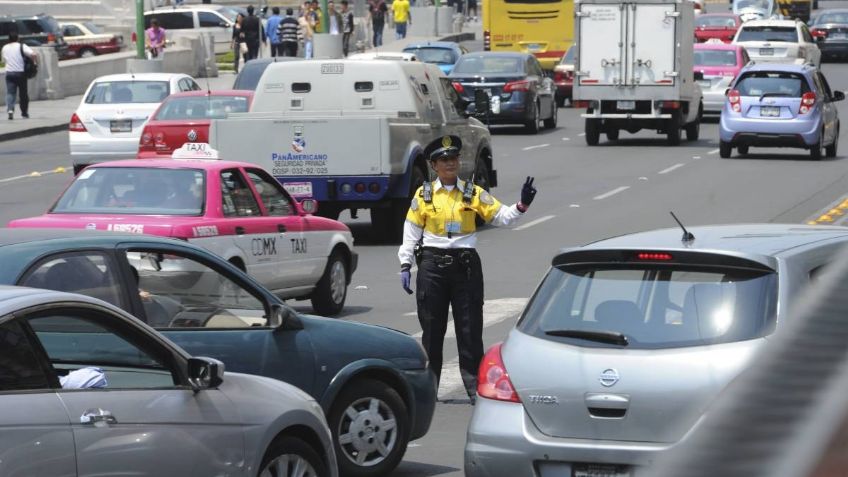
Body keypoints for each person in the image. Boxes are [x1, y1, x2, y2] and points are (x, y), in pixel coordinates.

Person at [397, 135, 537, 403]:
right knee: (432, 329)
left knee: (470, 329)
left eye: (454, 159)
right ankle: (430, 388)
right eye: (444, 160)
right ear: (434, 165)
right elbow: (411, 231)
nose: (451, 164)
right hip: (432, 266)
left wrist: (522, 205)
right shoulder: (424, 195)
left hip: (466, 267)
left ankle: (475, 388)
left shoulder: (472, 192)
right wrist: (406, 263)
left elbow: (502, 216)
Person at [2, 30, 37, 120]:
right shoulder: (22, 46)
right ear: (17, 38)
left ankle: (10, 109)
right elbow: (33, 54)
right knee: (23, 94)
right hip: (20, 73)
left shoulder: (4, 47)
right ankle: (24, 113)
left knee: (10, 93)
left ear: (9, 39)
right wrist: (34, 63)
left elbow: (3, 61)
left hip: (9, 73)